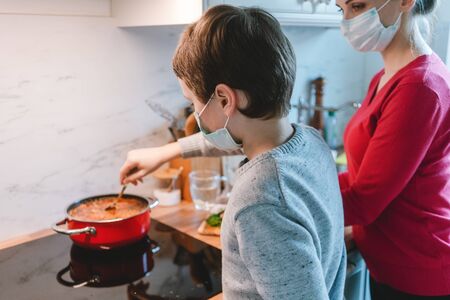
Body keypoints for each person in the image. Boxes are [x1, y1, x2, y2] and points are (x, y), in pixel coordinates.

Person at [120, 5, 346, 299]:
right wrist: (167, 152)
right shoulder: (309, 140)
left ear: (225, 99)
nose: (195, 113)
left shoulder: (261, 201)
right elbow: (231, 138)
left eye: (193, 102)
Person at [336, 0, 450, 298]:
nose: (347, 21)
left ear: (405, 2)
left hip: (419, 273)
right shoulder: (385, 77)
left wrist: (288, 202)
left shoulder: (420, 86)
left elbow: (365, 201)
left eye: (357, 6)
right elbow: (361, 176)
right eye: (341, 9)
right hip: (389, 264)